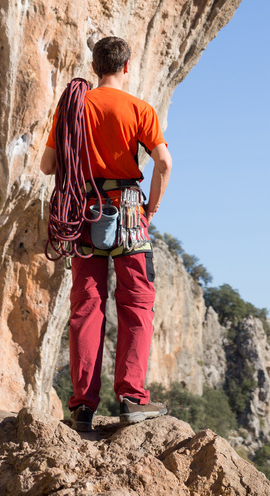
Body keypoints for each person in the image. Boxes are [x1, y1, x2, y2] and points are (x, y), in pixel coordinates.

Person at [40, 36, 173, 432]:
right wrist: (152, 206)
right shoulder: (139, 109)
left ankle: (82, 408)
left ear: (95, 66)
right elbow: (164, 162)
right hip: (130, 210)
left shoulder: (74, 110)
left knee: (86, 307)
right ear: (127, 66)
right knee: (136, 302)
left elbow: (48, 166)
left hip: (83, 211)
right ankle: (132, 399)